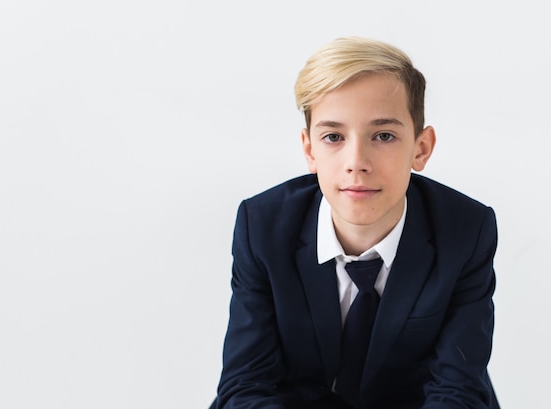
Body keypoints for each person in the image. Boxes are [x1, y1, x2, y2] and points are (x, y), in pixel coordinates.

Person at [211, 37, 499, 409]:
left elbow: (456, 390)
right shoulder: (263, 228)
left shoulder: (466, 230)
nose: (356, 161)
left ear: (421, 148)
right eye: (333, 137)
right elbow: (246, 386)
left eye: (383, 136)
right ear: (309, 149)